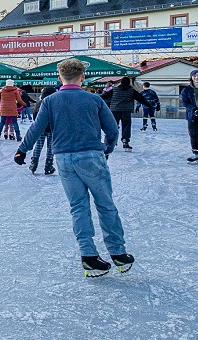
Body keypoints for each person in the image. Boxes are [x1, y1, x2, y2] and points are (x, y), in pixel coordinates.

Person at [14, 58, 134, 278]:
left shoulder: (50, 101)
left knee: (79, 206)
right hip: (91, 157)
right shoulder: (94, 99)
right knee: (105, 204)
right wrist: (107, 149)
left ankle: (89, 256)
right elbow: (112, 131)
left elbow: (37, 128)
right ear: (83, 77)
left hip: (64, 160)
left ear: (60, 78)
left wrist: (22, 150)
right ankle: (118, 252)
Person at [101, 76, 151, 151]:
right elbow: (141, 98)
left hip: (115, 110)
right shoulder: (131, 91)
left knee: (114, 126)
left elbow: (104, 96)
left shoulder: (114, 90)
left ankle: (112, 141)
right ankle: (125, 141)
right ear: (129, 83)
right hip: (126, 111)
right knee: (126, 126)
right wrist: (149, 105)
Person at [28, 86, 57, 175]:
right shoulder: (55, 104)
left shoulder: (39, 103)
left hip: (40, 128)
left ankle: (34, 162)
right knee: (50, 147)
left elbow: (34, 115)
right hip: (52, 128)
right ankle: (48, 164)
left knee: (39, 145)